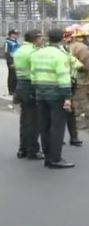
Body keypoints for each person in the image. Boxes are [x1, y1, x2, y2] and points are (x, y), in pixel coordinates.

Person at [31, 29, 75, 169]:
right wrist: (67, 98)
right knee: (57, 127)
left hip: (41, 94)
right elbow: (63, 77)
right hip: (56, 96)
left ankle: (47, 158)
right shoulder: (61, 55)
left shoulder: (36, 54)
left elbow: (33, 76)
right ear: (62, 39)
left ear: (48, 38)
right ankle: (55, 159)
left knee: (44, 126)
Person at [13, 29, 44, 160]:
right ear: (35, 39)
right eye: (41, 38)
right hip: (31, 86)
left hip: (20, 85)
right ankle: (33, 151)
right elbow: (37, 71)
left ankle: (22, 149)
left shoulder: (19, 50)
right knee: (34, 121)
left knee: (24, 120)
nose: (42, 41)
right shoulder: (34, 52)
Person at [62, 27, 83, 146]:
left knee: (69, 111)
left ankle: (73, 137)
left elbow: (78, 66)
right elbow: (79, 66)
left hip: (68, 83)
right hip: (63, 84)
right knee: (64, 111)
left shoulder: (67, 50)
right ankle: (69, 137)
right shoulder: (63, 51)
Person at [4, 29, 21, 95]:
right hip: (11, 61)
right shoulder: (7, 42)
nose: (17, 35)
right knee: (12, 75)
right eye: (15, 34)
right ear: (11, 34)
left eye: (17, 34)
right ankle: (11, 90)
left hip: (17, 61)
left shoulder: (16, 42)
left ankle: (15, 89)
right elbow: (6, 53)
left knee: (16, 75)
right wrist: (10, 62)